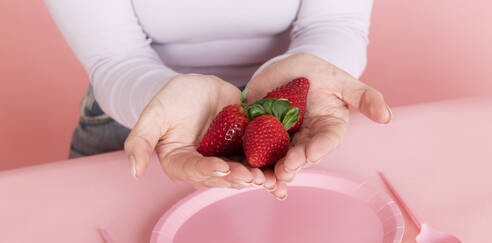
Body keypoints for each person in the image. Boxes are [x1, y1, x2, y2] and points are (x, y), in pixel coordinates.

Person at [44, 0, 391, 199]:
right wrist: (163, 104)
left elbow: (336, 22)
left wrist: (306, 80)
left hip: (300, 119)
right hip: (136, 110)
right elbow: (114, 59)